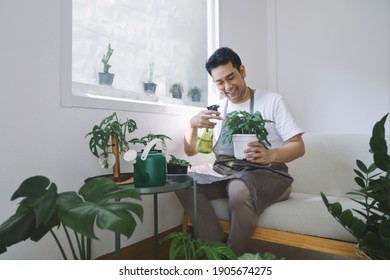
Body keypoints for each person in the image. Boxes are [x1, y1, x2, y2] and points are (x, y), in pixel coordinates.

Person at [176, 47, 305, 256]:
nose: (228, 86)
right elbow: (190, 151)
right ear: (214, 83)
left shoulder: (273, 101)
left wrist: (270, 155)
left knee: (238, 188)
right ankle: (216, 252)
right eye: (220, 82)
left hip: (270, 174)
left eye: (231, 77)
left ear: (242, 71)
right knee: (182, 181)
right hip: (227, 171)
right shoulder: (217, 110)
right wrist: (192, 124)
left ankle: (232, 258)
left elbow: (299, 146)